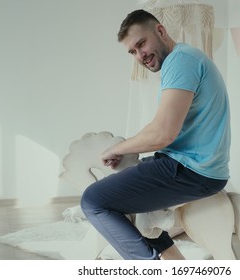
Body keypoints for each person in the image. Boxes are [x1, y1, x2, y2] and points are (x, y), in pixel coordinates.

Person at [81, 9, 231, 260]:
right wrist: (129, 148)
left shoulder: (181, 61)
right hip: (189, 165)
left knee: (93, 201)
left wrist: (117, 149)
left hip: (192, 171)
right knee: (129, 196)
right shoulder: (184, 59)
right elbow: (159, 125)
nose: (140, 55)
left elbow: (163, 134)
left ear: (160, 31)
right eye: (132, 51)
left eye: (141, 44)